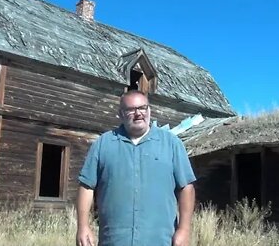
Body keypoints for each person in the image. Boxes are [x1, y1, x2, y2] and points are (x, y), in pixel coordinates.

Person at [76, 90, 196, 246]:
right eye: (131, 109)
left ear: (149, 110)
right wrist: (83, 226)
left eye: (142, 108)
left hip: (160, 241)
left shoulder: (171, 144)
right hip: (114, 240)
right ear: (120, 113)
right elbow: (86, 186)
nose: (138, 113)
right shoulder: (103, 144)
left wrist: (184, 230)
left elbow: (187, 187)